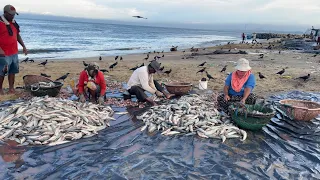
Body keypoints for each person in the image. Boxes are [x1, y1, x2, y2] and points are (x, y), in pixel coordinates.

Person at [0, 5, 27, 95]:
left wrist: (23, 46)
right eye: (11, 14)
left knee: (12, 71)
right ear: (5, 13)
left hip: (14, 52)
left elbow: (17, 35)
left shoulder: (14, 23)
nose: (13, 16)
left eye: (14, 14)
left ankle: (11, 88)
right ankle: (0, 89)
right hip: (3, 53)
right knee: (2, 72)